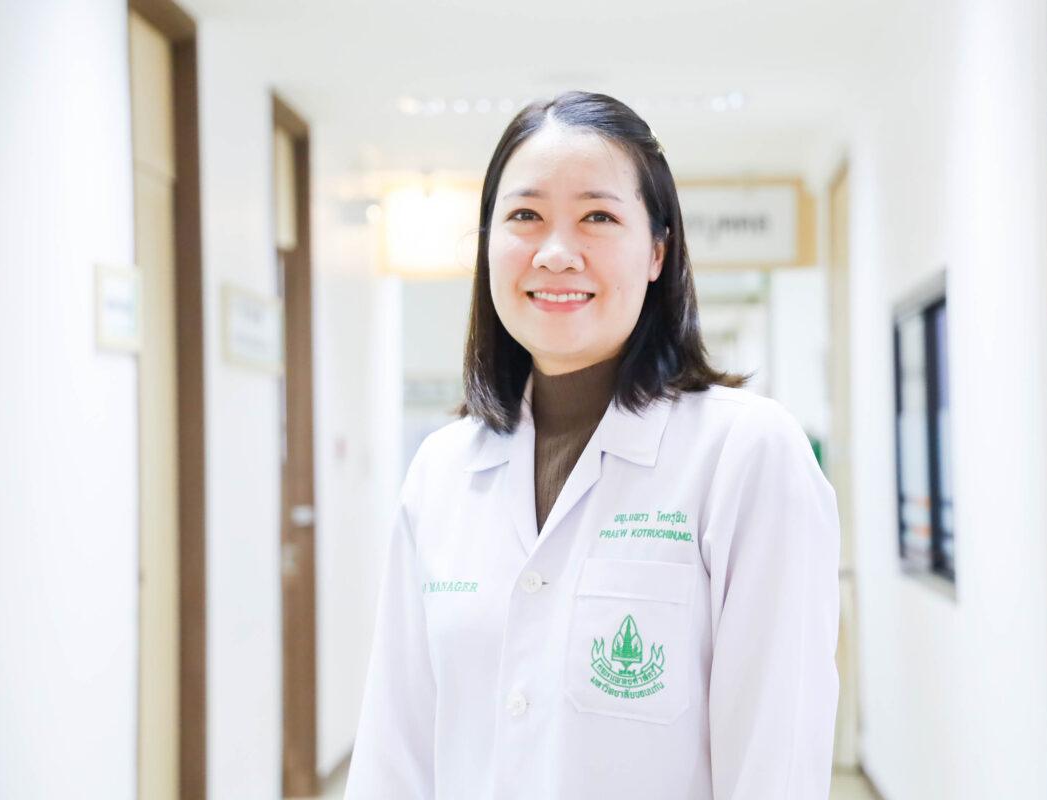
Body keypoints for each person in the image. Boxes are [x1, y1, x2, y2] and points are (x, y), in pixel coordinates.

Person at [345, 90, 840, 799]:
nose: (555, 253)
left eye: (598, 217)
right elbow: (395, 748)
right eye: (525, 216)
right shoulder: (442, 470)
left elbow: (774, 763)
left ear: (657, 251)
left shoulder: (745, 453)